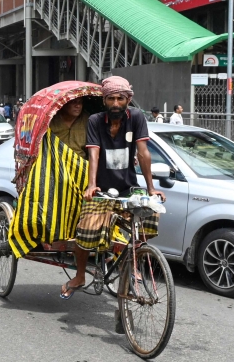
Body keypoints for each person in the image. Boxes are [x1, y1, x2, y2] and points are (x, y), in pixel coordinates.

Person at [61, 77, 166, 318]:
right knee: (85, 231)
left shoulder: (137, 117)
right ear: (104, 100)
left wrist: (151, 188)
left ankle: (135, 262)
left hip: (128, 187)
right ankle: (79, 276)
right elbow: (94, 154)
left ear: (128, 99)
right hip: (102, 190)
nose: (116, 102)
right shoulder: (96, 121)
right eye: (111, 98)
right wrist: (92, 185)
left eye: (120, 98)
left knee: (150, 217)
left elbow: (143, 152)